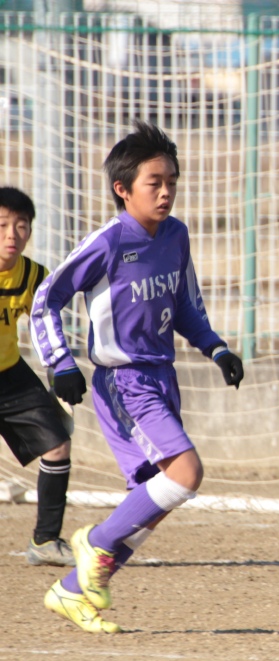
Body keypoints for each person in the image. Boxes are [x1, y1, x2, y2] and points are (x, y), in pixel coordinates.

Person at [30, 121, 244, 634]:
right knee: (186, 473)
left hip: (163, 377)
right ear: (123, 189)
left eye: (172, 181)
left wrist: (216, 347)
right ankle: (95, 543)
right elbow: (46, 299)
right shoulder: (108, 242)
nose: (166, 191)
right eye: (155, 182)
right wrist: (61, 362)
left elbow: (185, 305)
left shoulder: (176, 235)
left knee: (155, 500)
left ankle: (73, 590)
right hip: (124, 382)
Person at [0, 187, 76, 567]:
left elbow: (45, 325)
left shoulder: (33, 275)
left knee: (58, 444)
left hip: (10, 375)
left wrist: (62, 368)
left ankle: (45, 541)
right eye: (2, 225)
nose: (12, 234)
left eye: (21, 225)